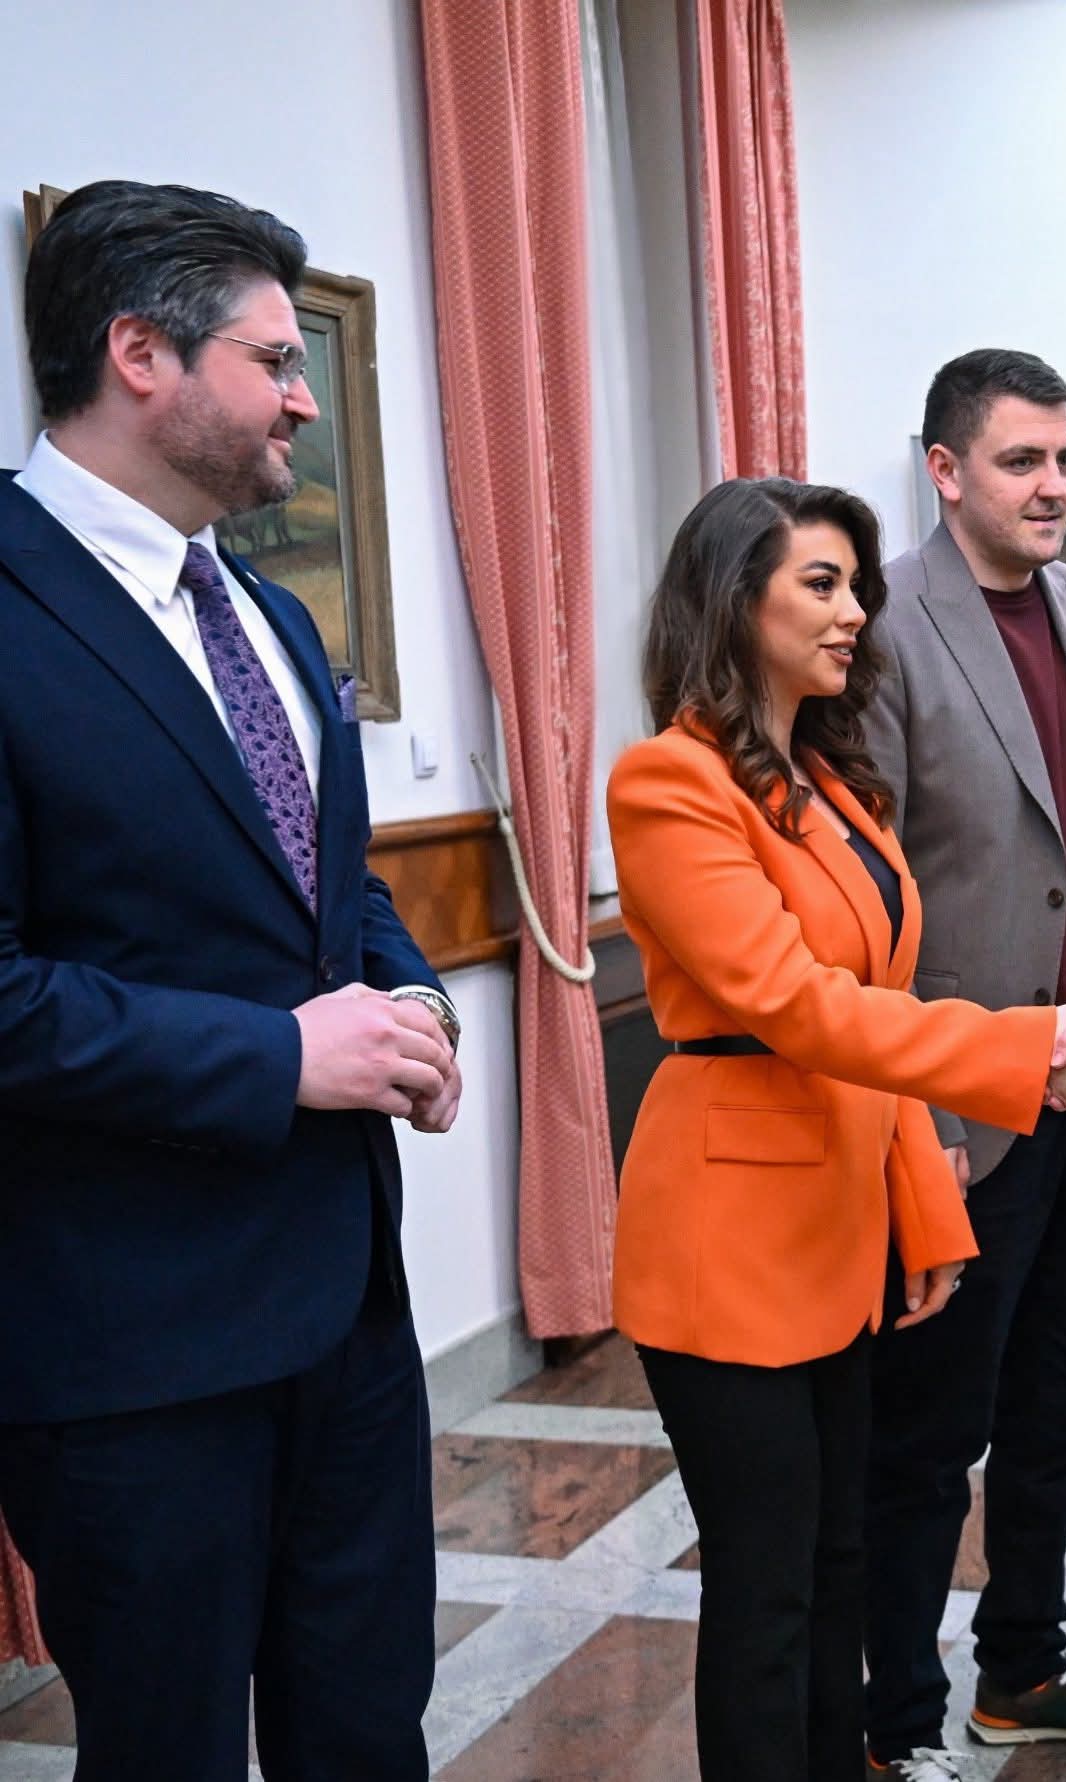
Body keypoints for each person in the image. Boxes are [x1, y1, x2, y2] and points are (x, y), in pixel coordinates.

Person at [0, 179, 462, 1780]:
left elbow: (337, 890)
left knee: (367, 1733)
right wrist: (280, 1058)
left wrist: (417, 1000)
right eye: (273, 359)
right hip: (132, 1352)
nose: (303, 398)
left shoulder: (263, 606)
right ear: (140, 354)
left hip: (348, 1316)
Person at [605, 476, 1066, 1782]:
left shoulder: (826, 780)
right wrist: (1027, 1047)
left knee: (840, 1561)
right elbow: (798, 1006)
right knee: (767, 1590)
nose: (856, 611)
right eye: (821, 584)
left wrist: (929, 1213)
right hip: (730, 1239)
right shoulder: (668, 781)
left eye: (857, 585)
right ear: (733, 601)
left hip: (842, 1224)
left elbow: (881, 1005)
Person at [861, 348, 1066, 1776]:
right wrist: (917, 1105)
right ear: (945, 471)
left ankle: (1025, 1667)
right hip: (967, 1101)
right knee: (930, 1436)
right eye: (1020, 461)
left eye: (1065, 460)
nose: (1055, 487)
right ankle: (895, 1723)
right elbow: (868, 889)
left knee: (1062, 1403)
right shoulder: (880, 621)